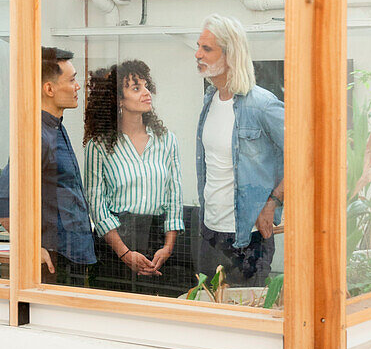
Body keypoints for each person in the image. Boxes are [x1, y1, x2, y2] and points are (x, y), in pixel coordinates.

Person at [0, 46, 95, 285]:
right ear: (49, 88)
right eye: (72, 79)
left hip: (73, 256)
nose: (78, 86)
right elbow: (0, 201)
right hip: (54, 260)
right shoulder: (37, 136)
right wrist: (31, 247)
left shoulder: (55, 128)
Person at [194, 15, 284, 288]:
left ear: (231, 55)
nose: (197, 54)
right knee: (209, 318)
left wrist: (273, 202)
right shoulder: (209, 100)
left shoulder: (262, 105)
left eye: (206, 49)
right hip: (210, 233)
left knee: (243, 320)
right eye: (198, 47)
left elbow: (304, 156)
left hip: (248, 240)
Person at [84, 60, 184, 296]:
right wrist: (125, 254)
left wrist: (167, 248)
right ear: (118, 100)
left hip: (158, 244)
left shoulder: (167, 141)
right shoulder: (98, 146)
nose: (147, 93)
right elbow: (97, 206)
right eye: (136, 88)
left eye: (146, 86)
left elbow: (175, 199)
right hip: (115, 245)